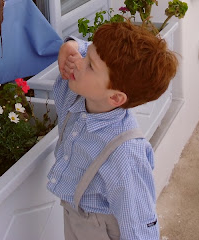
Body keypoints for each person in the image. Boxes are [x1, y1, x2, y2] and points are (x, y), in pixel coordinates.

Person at [48, 21, 178, 240]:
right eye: (86, 55)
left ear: (116, 97)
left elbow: (138, 225)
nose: (78, 62)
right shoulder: (74, 96)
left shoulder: (124, 153)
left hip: (101, 229)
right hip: (74, 218)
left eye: (90, 65)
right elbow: (91, 52)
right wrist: (71, 46)